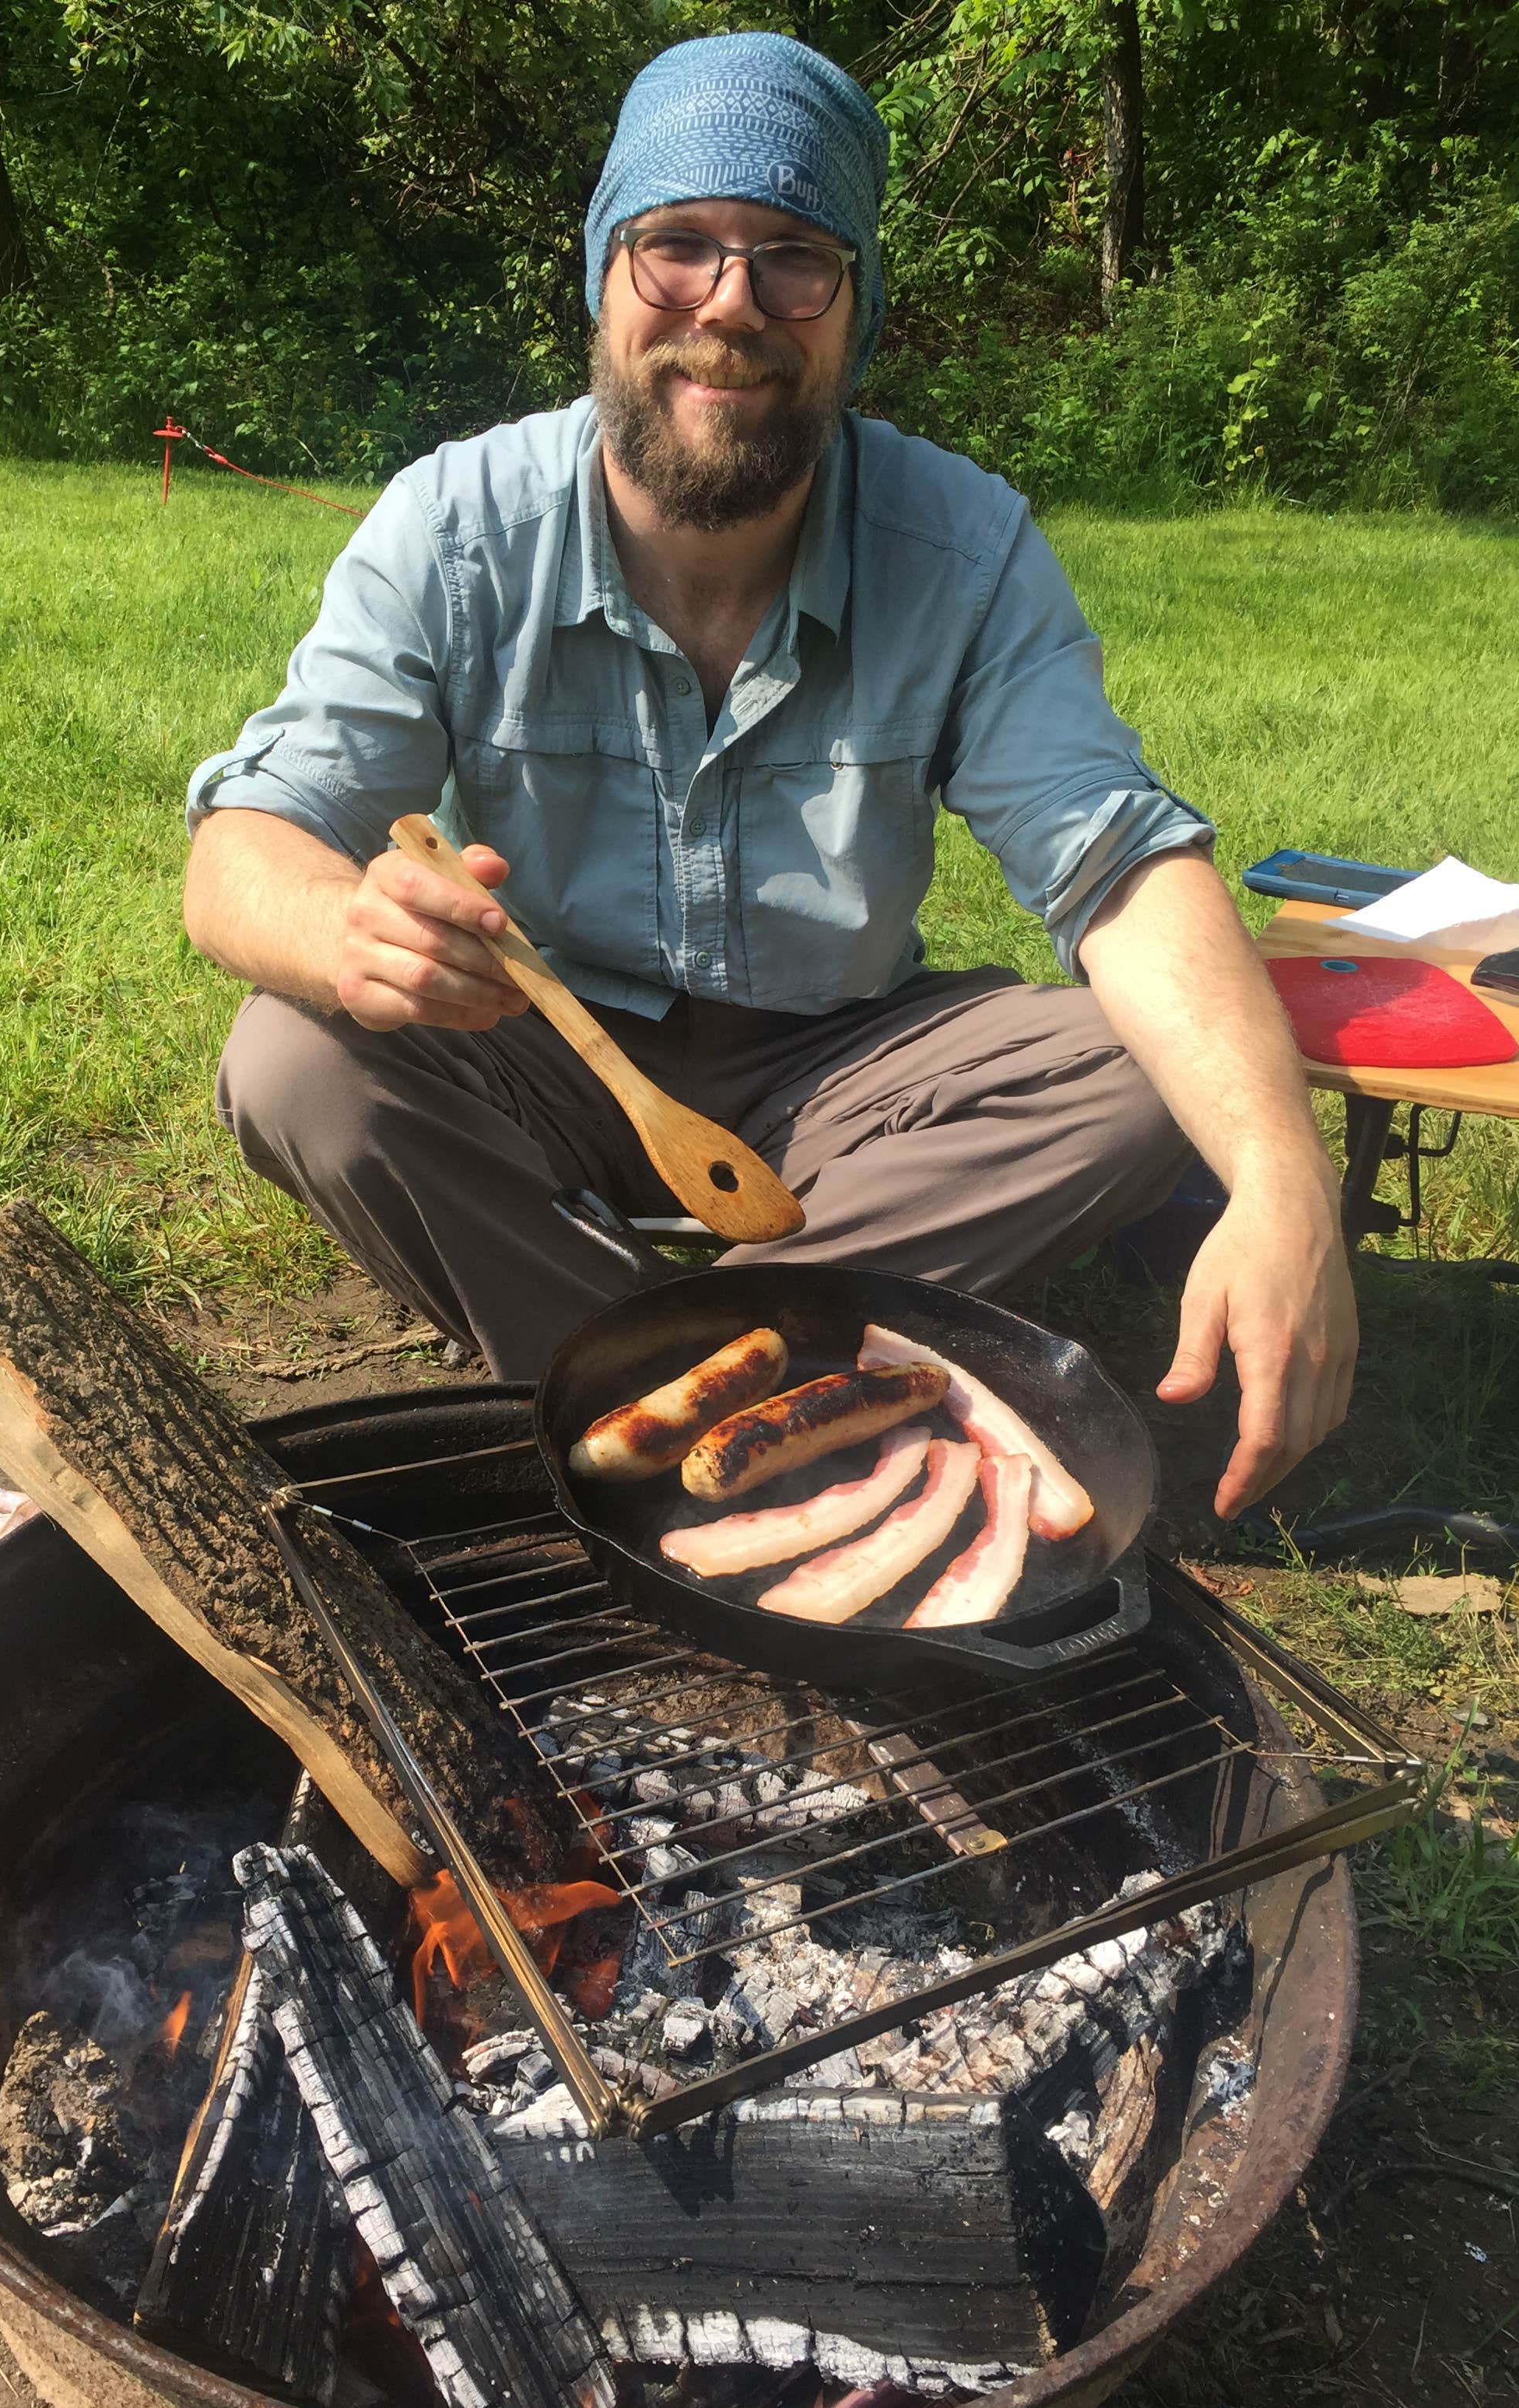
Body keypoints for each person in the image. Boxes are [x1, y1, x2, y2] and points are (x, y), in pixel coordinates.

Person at [184, 32, 1356, 1519]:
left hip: (844, 1066)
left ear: (853, 310)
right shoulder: (457, 523)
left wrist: (1281, 1177)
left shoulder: (965, 547)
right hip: (541, 1033)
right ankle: (779, 1377)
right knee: (295, 1058)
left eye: (794, 259)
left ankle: (619, 1385)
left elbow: (1116, 862)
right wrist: (344, 931)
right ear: (604, 281)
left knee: (1144, 1074)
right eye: (677, 247)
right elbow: (246, 844)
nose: (730, 307)